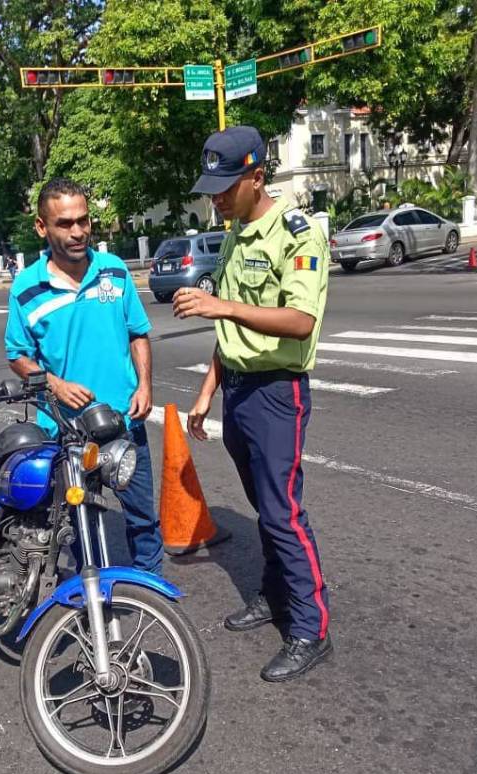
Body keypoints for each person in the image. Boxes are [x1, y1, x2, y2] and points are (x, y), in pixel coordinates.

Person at [179, 125, 332, 682]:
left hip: (276, 392)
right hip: (239, 390)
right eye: (211, 190)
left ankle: (311, 628)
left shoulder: (296, 235)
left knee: (283, 512)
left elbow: (300, 320)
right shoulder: (237, 235)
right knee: (265, 506)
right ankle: (274, 593)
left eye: (225, 188)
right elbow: (231, 333)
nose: (216, 199)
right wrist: (207, 391)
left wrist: (220, 306)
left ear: (257, 177)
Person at [4, 177, 163, 574]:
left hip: (124, 423)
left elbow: (138, 333)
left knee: (144, 522)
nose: (78, 231)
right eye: (65, 223)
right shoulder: (26, 289)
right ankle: (93, 596)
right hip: (68, 433)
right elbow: (17, 356)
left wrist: (145, 385)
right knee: (80, 529)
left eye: (83, 220)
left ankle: (150, 591)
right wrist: (54, 384)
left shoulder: (115, 271)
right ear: (42, 227)